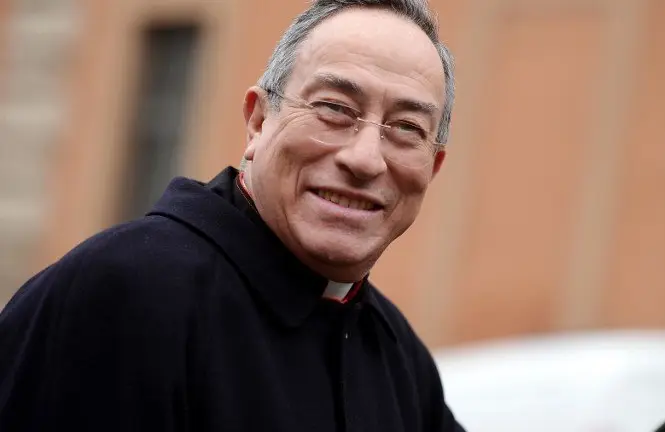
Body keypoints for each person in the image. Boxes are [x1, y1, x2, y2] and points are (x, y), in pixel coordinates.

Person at [0, 0, 463, 431]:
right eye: (334, 109)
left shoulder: (400, 359)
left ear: (434, 167)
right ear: (258, 122)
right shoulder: (123, 291)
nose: (365, 159)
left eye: (407, 128)